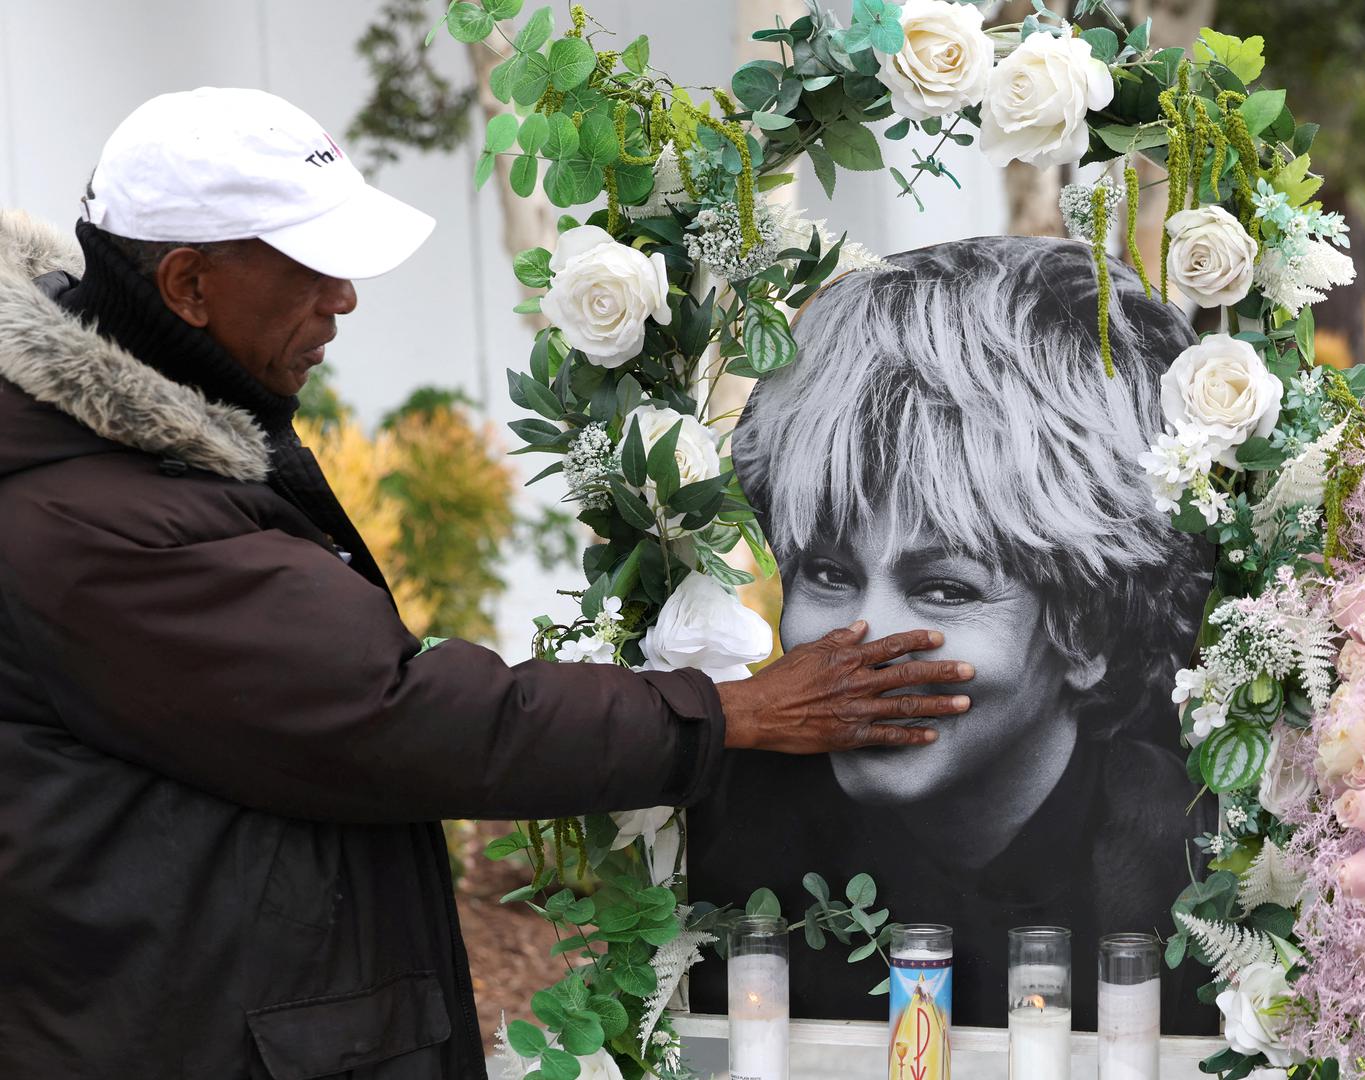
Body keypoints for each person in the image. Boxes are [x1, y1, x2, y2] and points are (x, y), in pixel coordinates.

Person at [0, 88, 973, 1078]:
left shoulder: (141, 450)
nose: (342, 299)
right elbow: (391, 715)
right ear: (189, 284)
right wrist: (723, 714)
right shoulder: (94, 513)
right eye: (311, 269)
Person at [689, 236, 1217, 1032]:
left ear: (1088, 629)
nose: (862, 646)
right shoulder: (729, 842)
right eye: (828, 573)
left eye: (943, 588)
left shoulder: (1199, 876)